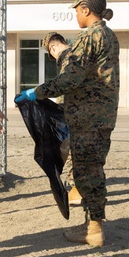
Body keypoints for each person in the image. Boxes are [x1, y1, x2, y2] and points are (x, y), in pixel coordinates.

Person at [16, 0, 119, 248]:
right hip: (102, 115)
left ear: (85, 9)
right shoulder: (109, 35)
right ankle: (93, 224)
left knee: (86, 173)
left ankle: (94, 230)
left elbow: (70, 79)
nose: (75, 14)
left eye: (76, 9)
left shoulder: (90, 37)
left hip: (87, 117)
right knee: (92, 169)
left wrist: (37, 92)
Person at [42, 32, 81, 206]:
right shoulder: (76, 54)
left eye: (52, 53)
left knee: (74, 151)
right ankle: (77, 189)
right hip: (79, 112)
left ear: (53, 47)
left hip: (77, 114)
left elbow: (65, 84)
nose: (54, 56)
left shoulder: (68, 57)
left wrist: (38, 93)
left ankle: (76, 190)